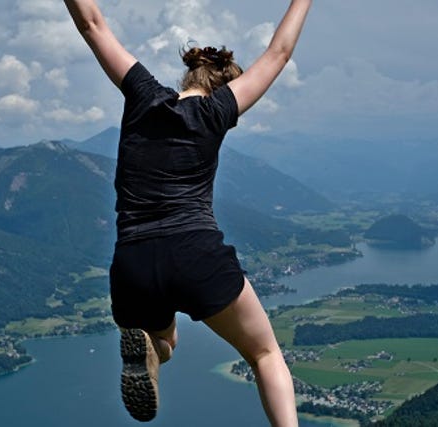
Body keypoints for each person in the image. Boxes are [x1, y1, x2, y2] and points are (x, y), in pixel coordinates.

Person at [64, 1, 312, 425]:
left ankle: (154, 347)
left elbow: (91, 23)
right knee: (265, 353)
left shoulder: (142, 94)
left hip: (132, 264)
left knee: (164, 339)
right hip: (195, 253)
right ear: (222, 89)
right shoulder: (216, 113)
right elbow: (279, 54)